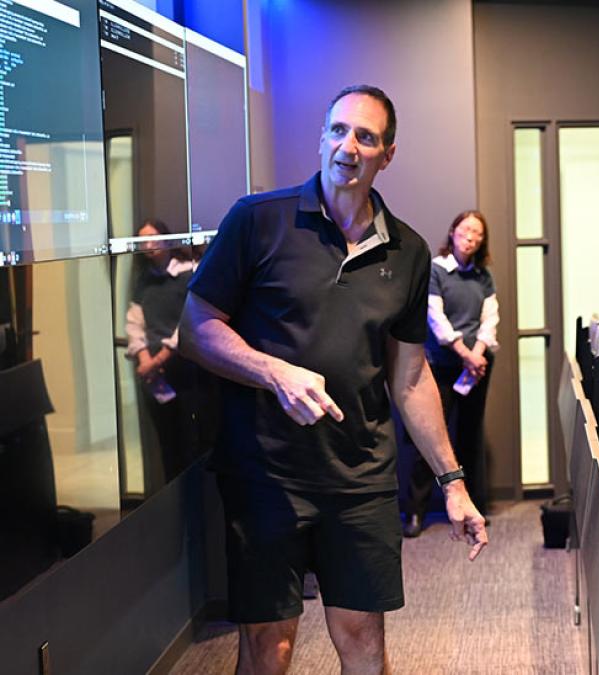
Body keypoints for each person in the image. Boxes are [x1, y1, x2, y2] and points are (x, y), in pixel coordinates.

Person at [179, 85, 487, 675]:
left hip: (361, 479)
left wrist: (452, 481)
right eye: (339, 131)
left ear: (387, 154)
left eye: (365, 137)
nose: (348, 147)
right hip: (266, 474)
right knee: (270, 648)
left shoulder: (410, 251)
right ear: (322, 137)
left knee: (363, 644)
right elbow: (195, 329)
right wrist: (273, 373)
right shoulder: (257, 221)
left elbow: (411, 377)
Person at [407, 210, 498, 537]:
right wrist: (463, 352)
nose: (471, 237)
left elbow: (490, 319)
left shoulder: (483, 275)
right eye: (466, 230)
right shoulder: (436, 269)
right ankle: (415, 513)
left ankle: (476, 508)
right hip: (443, 364)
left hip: (477, 365)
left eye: (477, 233)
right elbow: (435, 318)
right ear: (453, 231)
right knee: (430, 435)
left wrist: (477, 354)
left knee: (470, 436)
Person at [125, 219, 205, 490]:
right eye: (142, 241)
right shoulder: (144, 282)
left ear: (168, 240)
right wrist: (145, 359)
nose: (148, 246)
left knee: (192, 440)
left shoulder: (188, 274)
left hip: (185, 369)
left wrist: (159, 359)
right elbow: (135, 322)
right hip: (155, 375)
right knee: (166, 441)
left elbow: (190, 321)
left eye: (153, 239)